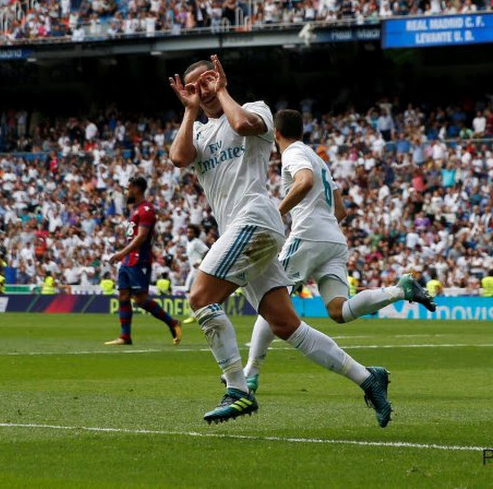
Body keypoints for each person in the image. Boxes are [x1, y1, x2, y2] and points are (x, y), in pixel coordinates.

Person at [169, 55, 391, 427]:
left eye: (207, 80)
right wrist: (190, 110)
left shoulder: (255, 110)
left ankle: (238, 390)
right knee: (286, 325)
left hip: (254, 219)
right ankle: (368, 378)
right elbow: (178, 158)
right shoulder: (199, 133)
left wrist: (220, 90)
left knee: (200, 298)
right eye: (194, 87)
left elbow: (240, 125)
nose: (203, 90)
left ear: (220, 78)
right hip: (241, 232)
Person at [242, 109, 436, 392]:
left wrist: (277, 212)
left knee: (273, 299)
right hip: (333, 238)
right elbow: (341, 209)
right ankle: (401, 290)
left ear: (276, 133)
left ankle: (250, 372)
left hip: (308, 234)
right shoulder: (317, 157)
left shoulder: (293, 153)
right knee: (339, 310)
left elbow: (304, 181)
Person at [105, 176, 182, 346]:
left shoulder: (147, 209)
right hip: (128, 259)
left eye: (129, 188)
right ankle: (125, 336)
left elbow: (142, 237)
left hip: (139, 259)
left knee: (140, 300)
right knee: (123, 295)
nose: (127, 192)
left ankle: (173, 322)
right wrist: (124, 255)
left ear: (137, 189)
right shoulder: (136, 209)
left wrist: (120, 253)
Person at [182, 223, 209, 324]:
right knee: (190, 292)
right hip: (193, 270)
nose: (189, 234)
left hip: (197, 271)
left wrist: (199, 262)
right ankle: (197, 314)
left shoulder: (197, 242)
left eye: (191, 232)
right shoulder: (189, 243)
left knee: (188, 290)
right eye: (188, 232)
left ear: (195, 233)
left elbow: (207, 251)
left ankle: (193, 315)